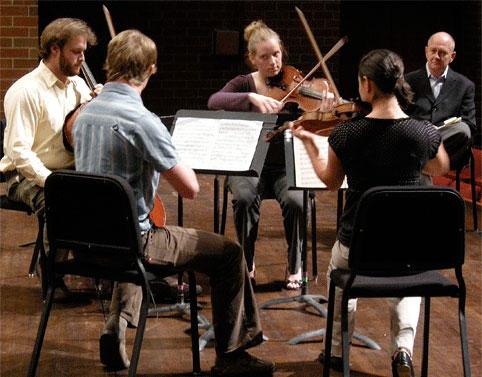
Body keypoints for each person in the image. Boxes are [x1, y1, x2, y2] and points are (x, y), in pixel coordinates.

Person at [73, 29, 274, 376]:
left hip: (86, 242)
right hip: (133, 243)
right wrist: (171, 152)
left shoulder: (83, 116)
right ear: (151, 69)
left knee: (128, 228)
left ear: (108, 66)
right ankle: (232, 354)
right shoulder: (144, 122)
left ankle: (116, 324)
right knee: (229, 254)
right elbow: (190, 188)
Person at [292, 49, 449, 377]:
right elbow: (440, 166)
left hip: (358, 250)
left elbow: (331, 182)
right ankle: (403, 350)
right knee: (408, 278)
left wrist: (308, 142)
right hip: (409, 249)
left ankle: (336, 350)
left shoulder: (346, 134)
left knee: (340, 266)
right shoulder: (424, 133)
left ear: (366, 85)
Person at [208, 20, 308, 290]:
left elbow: (313, 119)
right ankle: (247, 261)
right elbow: (214, 100)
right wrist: (251, 98)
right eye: (264, 57)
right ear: (253, 59)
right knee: (243, 197)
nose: (273, 62)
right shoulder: (243, 84)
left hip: (284, 166)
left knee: (297, 201)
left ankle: (295, 263)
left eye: (276, 54)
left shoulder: (294, 84)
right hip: (247, 164)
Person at [0, 18, 98, 287]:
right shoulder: (26, 91)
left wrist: (103, 103)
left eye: (84, 52)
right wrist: (52, 180)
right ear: (55, 49)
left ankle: (99, 268)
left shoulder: (78, 86)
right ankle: (54, 278)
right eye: (76, 52)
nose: (82, 59)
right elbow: (19, 152)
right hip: (26, 177)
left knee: (110, 195)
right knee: (61, 201)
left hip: (69, 171)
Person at [405, 31, 476, 171]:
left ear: (452, 56)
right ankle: (423, 165)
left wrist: (436, 134)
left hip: (446, 145)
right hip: (414, 140)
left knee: (463, 129)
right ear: (426, 51)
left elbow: (470, 124)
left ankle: (420, 164)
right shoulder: (407, 82)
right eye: (433, 51)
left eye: (442, 52)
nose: (436, 56)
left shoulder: (465, 85)